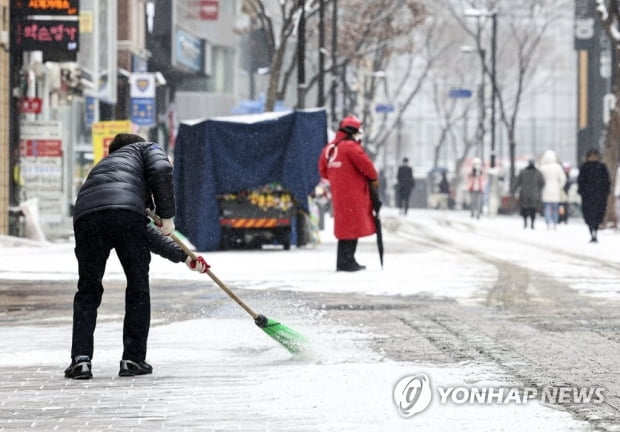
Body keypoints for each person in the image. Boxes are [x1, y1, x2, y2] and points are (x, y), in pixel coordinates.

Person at [65, 133, 209, 380]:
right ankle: (132, 360)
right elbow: (162, 168)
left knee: (88, 290)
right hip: (123, 216)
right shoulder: (144, 148)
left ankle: (81, 360)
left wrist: (184, 257)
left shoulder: (103, 169)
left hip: (87, 219)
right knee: (138, 288)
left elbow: (144, 231)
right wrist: (167, 215)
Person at [318, 115, 378, 272]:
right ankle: (348, 261)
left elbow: (323, 171)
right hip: (354, 193)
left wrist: (338, 178)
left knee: (344, 227)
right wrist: (372, 179)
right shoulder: (351, 147)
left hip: (338, 194)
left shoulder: (330, 148)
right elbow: (368, 167)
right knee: (353, 227)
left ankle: (343, 260)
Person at [577, 149, 611, 243]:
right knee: (593, 215)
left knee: (593, 215)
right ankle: (593, 231)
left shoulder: (589, 167)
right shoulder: (596, 167)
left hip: (594, 196)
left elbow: (606, 181)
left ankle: (594, 231)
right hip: (595, 196)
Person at [512, 159, 545, 229]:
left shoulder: (523, 172)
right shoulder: (538, 173)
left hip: (524, 193)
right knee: (533, 208)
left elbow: (517, 182)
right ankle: (532, 223)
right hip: (534, 194)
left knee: (525, 208)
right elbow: (542, 183)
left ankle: (525, 222)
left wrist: (513, 190)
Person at [538, 149, 567, 230]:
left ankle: (548, 222)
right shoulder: (558, 167)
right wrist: (559, 186)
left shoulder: (542, 167)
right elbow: (563, 179)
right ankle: (555, 222)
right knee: (555, 208)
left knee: (547, 207)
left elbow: (539, 179)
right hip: (555, 189)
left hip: (545, 189)